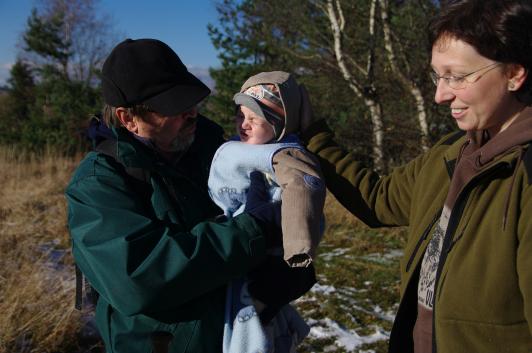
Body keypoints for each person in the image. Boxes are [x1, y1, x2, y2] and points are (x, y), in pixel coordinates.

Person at [298, 1, 532, 352]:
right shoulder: (451, 153)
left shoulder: (526, 177)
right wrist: (310, 133)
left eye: (457, 76)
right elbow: (377, 199)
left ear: (515, 74)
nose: (440, 95)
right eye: (438, 76)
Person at [65, 38, 284, 353]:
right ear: (129, 119)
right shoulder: (98, 184)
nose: (192, 113)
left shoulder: (218, 152)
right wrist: (253, 232)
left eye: (191, 100)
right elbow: (137, 279)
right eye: (174, 107)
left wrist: (285, 269)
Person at [208, 71, 326, 352]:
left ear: (280, 124)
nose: (244, 125)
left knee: (256, 322)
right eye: (240, 116)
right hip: (237, 251)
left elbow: (302, 192)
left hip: (269, 260)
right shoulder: (248, 149)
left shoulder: (287, 156)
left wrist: (296, 252)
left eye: (255, 119)